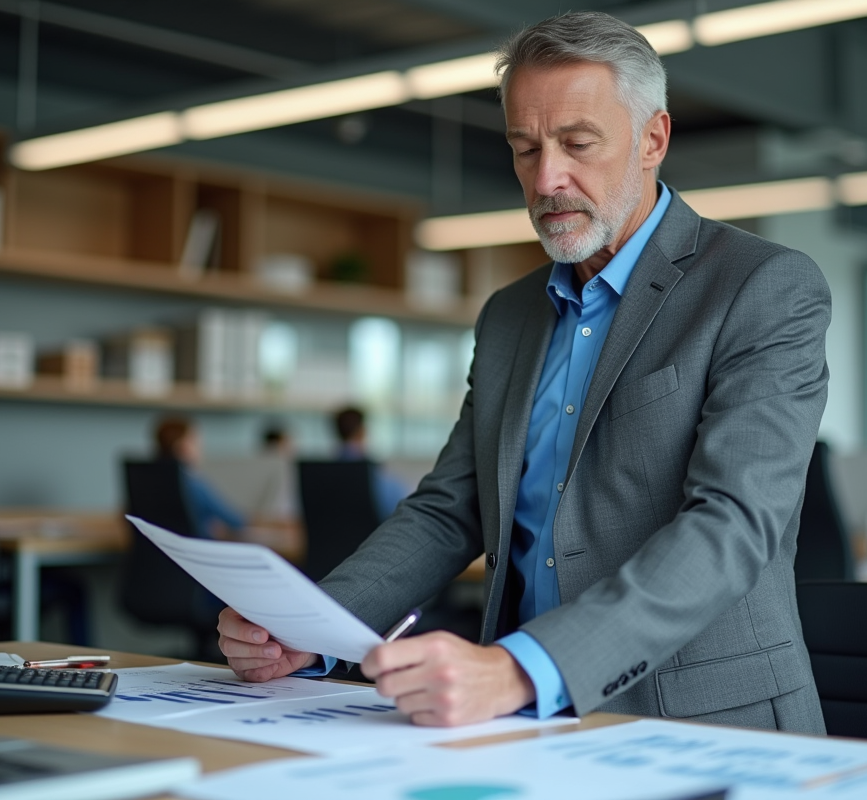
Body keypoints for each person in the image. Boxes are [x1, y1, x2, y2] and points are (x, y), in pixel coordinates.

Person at [218, 11, 830, 734]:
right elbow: (451, 509)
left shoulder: (762, 287)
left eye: (577, 144)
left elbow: (732, 525)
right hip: (526, 722)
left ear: (652, 140)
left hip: (703, 723)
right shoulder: (511, 315)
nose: (546, 179)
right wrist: (314, 627)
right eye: (524, 148)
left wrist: (521, 667)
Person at [153, 415, 246, 540]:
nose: (201, 447)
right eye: (196, 442)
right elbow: (236, 521)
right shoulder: (193, 484)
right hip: (195, 554)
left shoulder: (147, 482)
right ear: (183, 447)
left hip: (158, 554)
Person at [332, 406, 410, 520]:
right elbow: (401, 510)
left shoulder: (321, 475)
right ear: (362, 431)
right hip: (371, 536)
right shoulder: (374, 476)